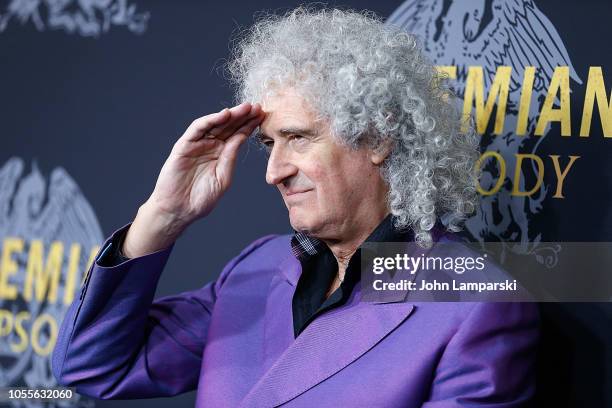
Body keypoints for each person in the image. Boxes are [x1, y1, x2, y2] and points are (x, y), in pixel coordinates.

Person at [52, 7, 539, 407]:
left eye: (298, 139)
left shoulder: (473, 305)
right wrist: (162, 218)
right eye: (268, 145)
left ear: (378, 136)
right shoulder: (256, 269)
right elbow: (90, 367)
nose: (274, 171)